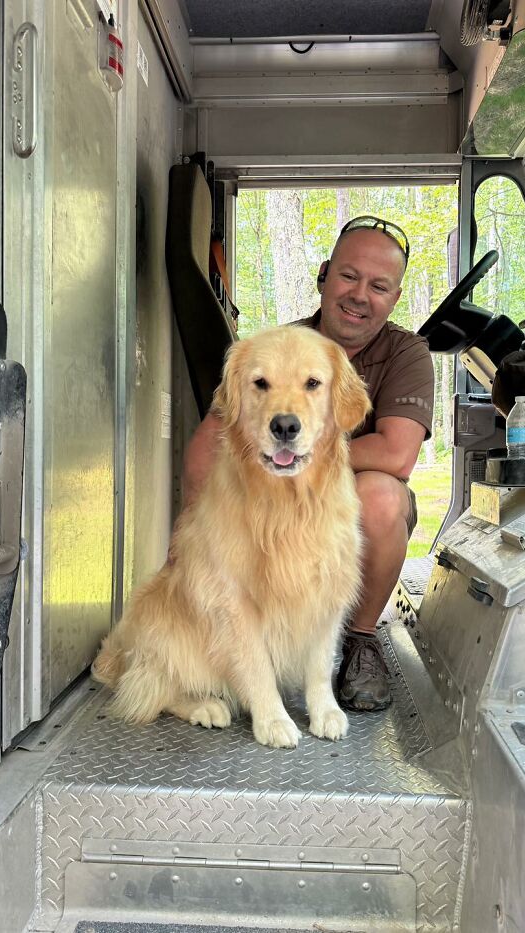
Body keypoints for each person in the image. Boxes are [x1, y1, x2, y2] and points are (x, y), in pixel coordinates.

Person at [184, 215, 434, 711]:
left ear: (395, 298)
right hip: (279, 519)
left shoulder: (407, 353)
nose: (360, 294)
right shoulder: (278, 348)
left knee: (381, 496)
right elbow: (205, 452)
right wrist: (189, 540)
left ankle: (359, 640)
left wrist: (291, 455)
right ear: (324, 276)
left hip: (347, 515)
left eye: (379, 285)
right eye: (349, 276)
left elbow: (396, 454)